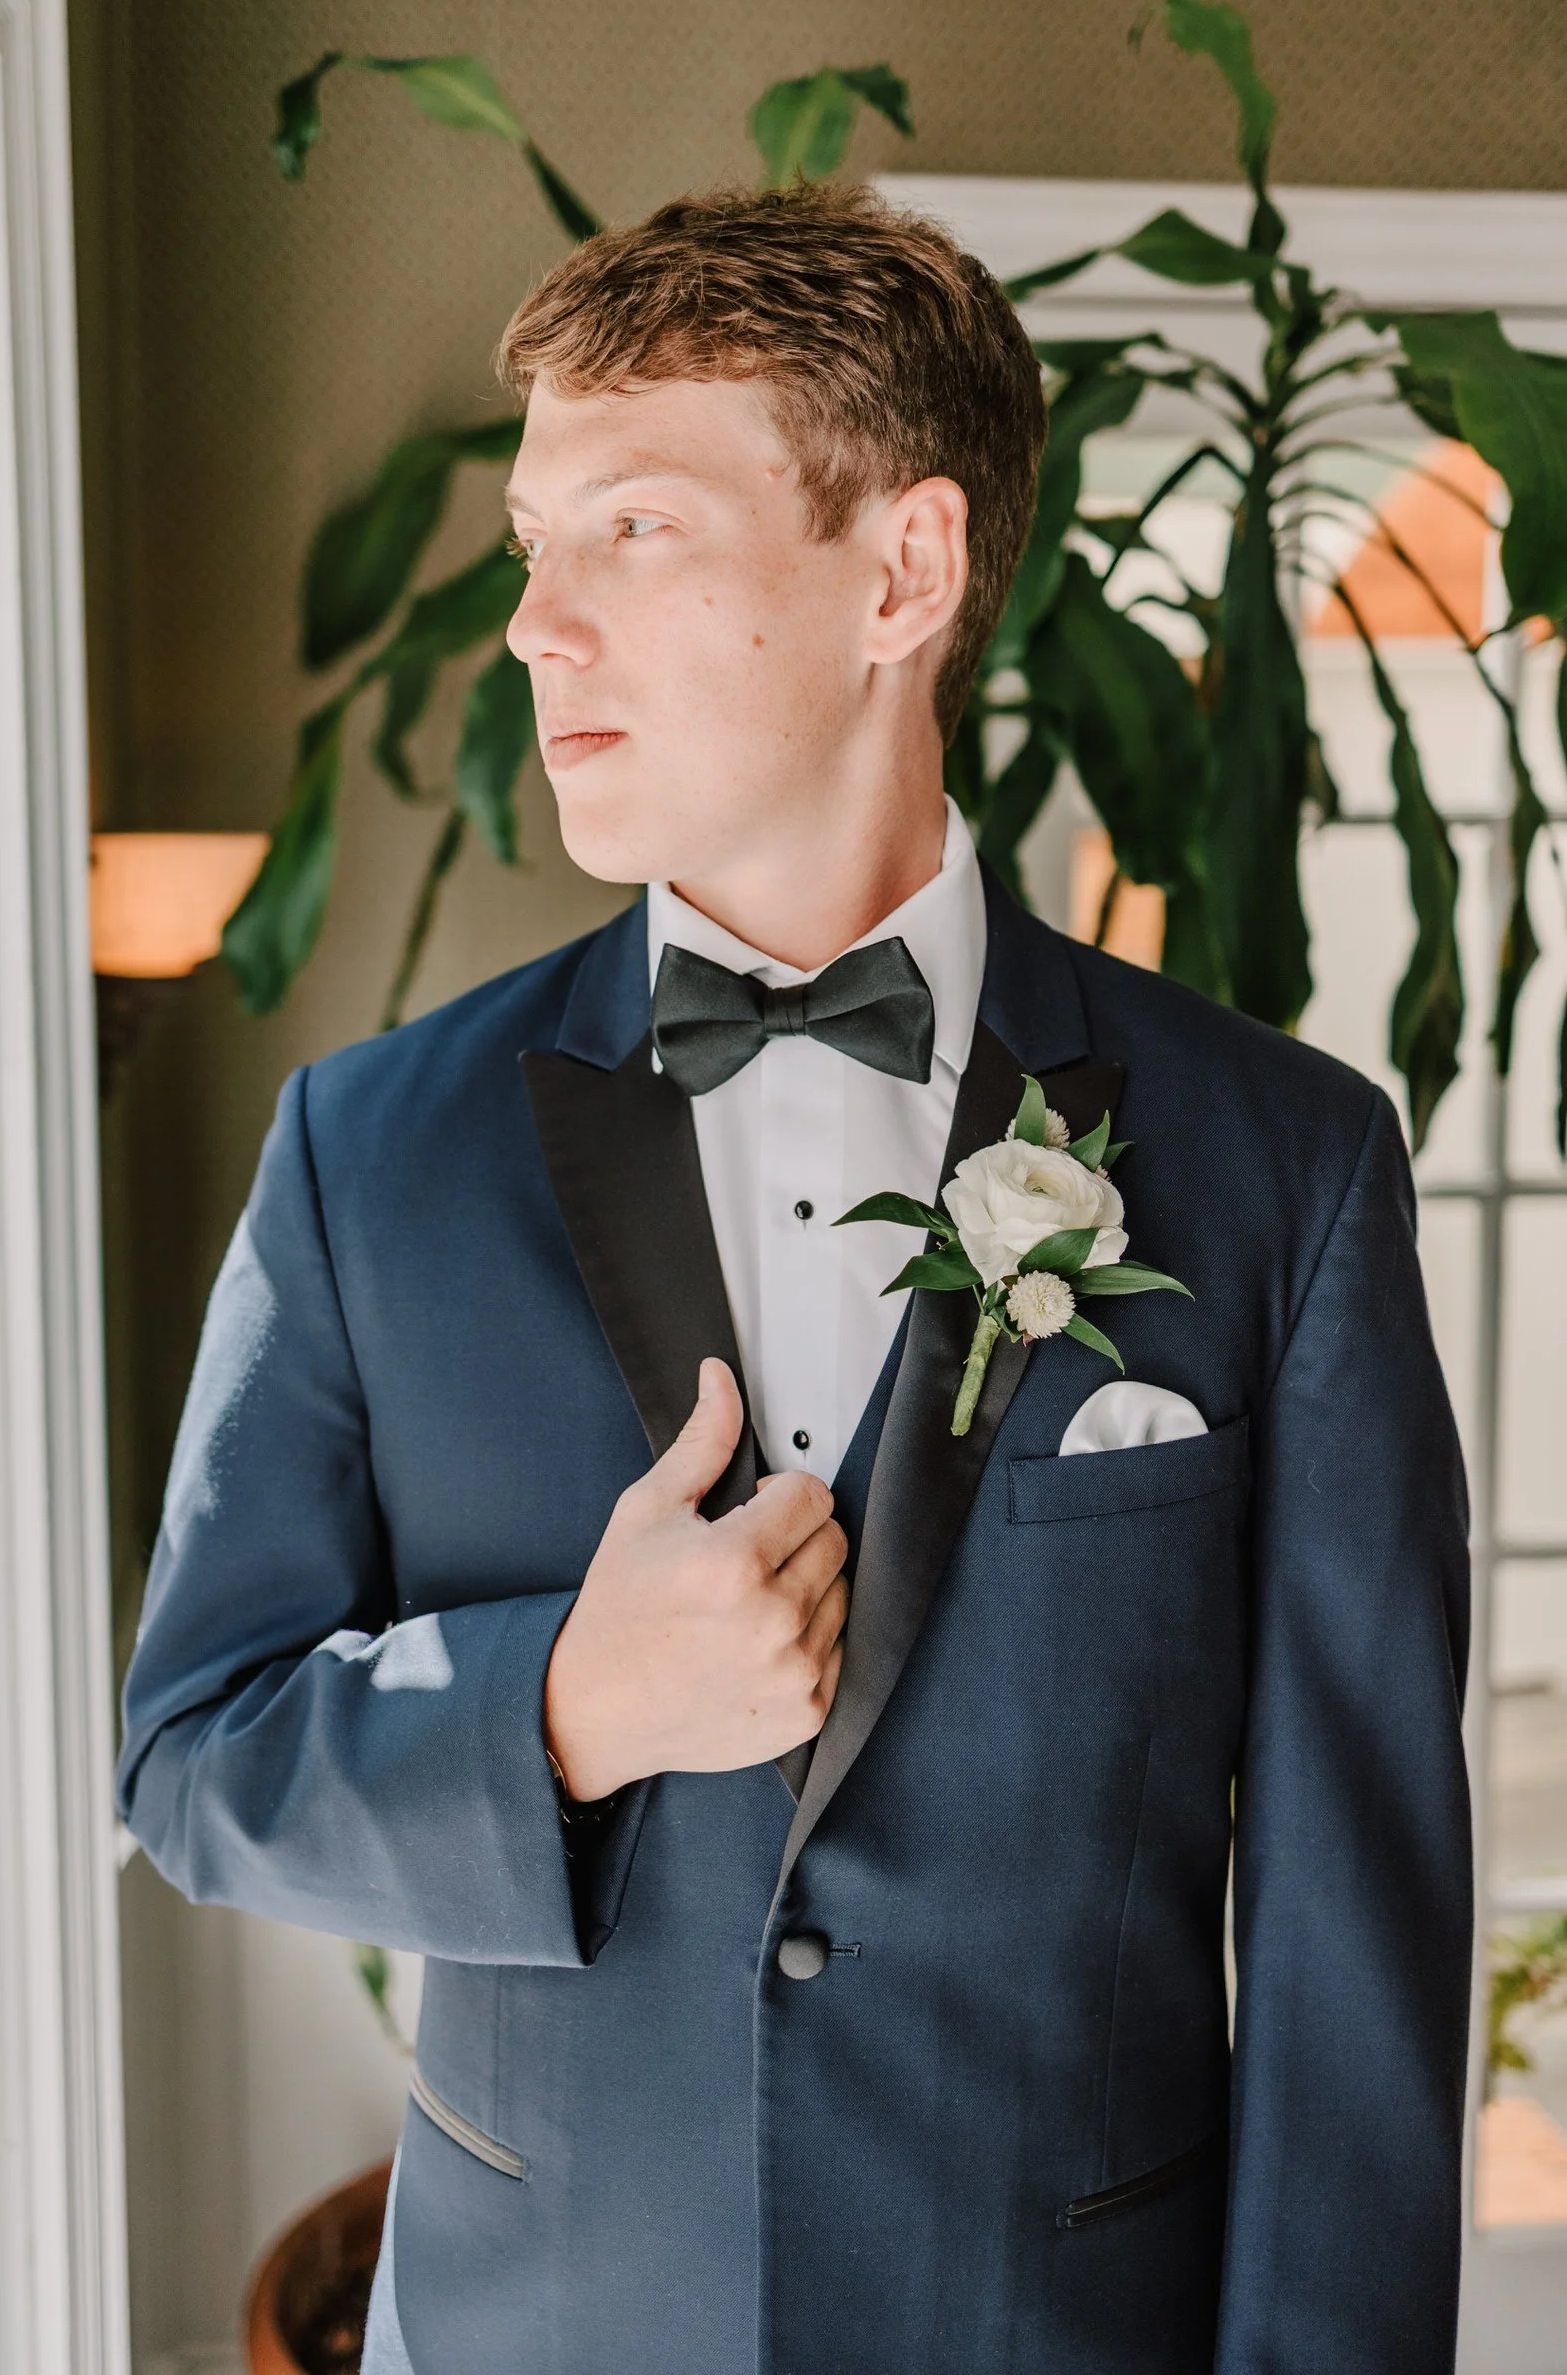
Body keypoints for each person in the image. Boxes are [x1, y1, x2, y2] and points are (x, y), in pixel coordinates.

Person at [116, 184, 1473, 2375]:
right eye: (529, 551)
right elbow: (192, 1762)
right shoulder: (368, 1157)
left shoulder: (1285, 1171)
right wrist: (564, 1713)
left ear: (904, 573)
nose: (540, 630)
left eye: (630, 534)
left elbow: (1353, 1941)